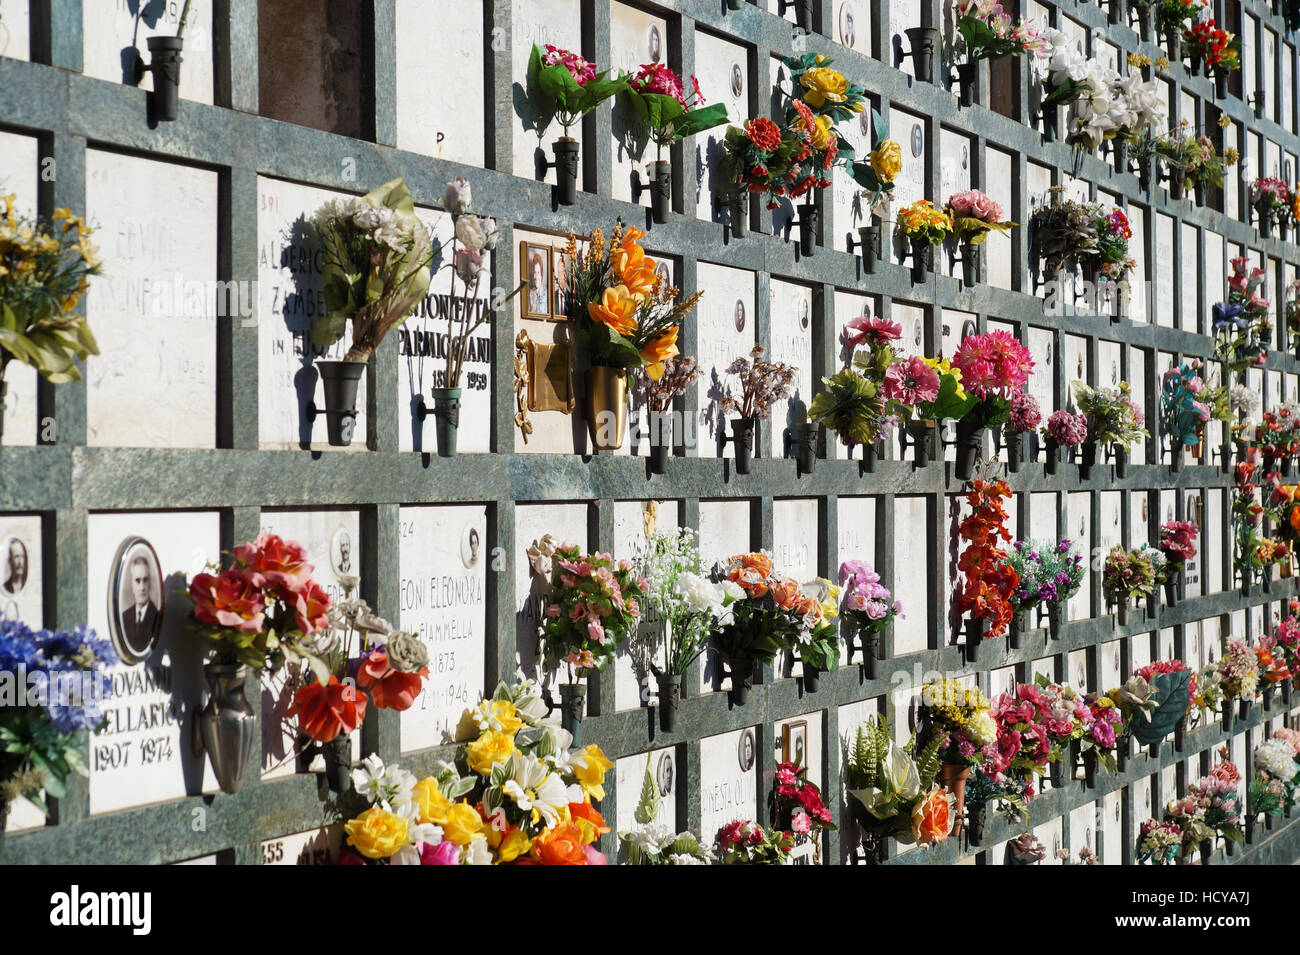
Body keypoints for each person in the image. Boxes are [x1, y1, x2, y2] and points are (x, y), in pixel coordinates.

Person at [120, 553, 160, 659]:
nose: (142, 587)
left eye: (145, 580)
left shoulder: (156, 615)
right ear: (132, 585)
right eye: (137, 581)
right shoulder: (125, 616)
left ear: (150, 583)